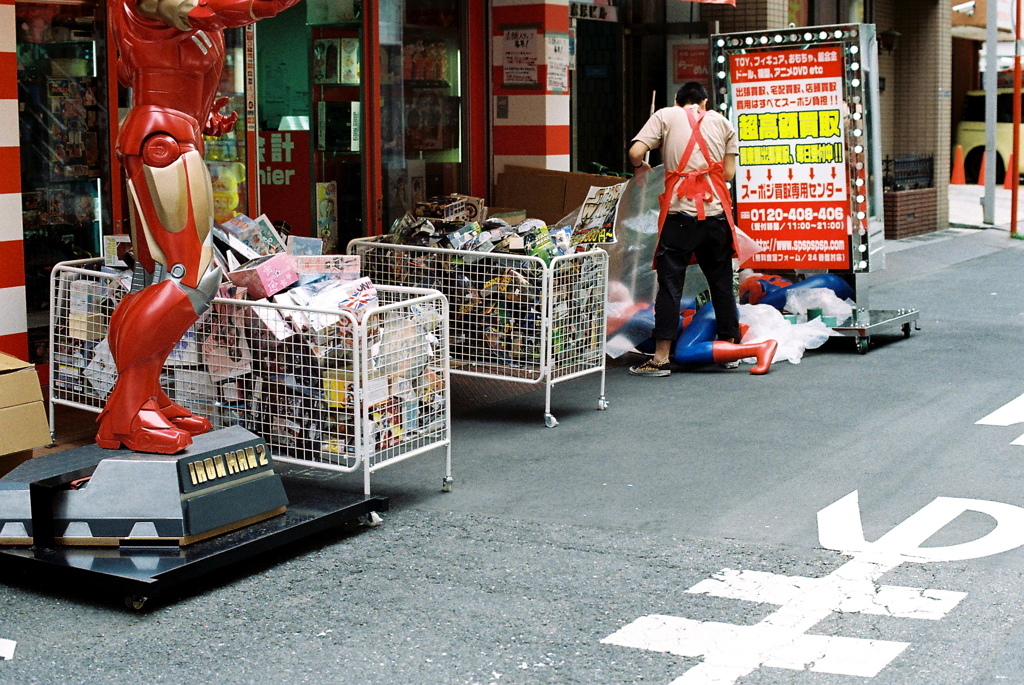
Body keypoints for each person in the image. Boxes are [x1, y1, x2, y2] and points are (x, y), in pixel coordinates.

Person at [96, 0, 301, 453]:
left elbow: (137, 66)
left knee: (154, 278)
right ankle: (131, 407)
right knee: (191, 278)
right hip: (164, 140)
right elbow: (224, 9)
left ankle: (137, 398)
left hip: (169, 132)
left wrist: (201, 109)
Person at [626, 81, 777, 377]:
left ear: (677, 101)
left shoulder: (665, 115)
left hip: (679, 215)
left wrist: (641, 165)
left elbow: (635, 152)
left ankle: (660, 358)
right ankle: (730, 347)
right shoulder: (722, 123)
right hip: (715, 216)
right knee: (720, 282)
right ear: (705, 103)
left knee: (670, 286)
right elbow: (729, 172)